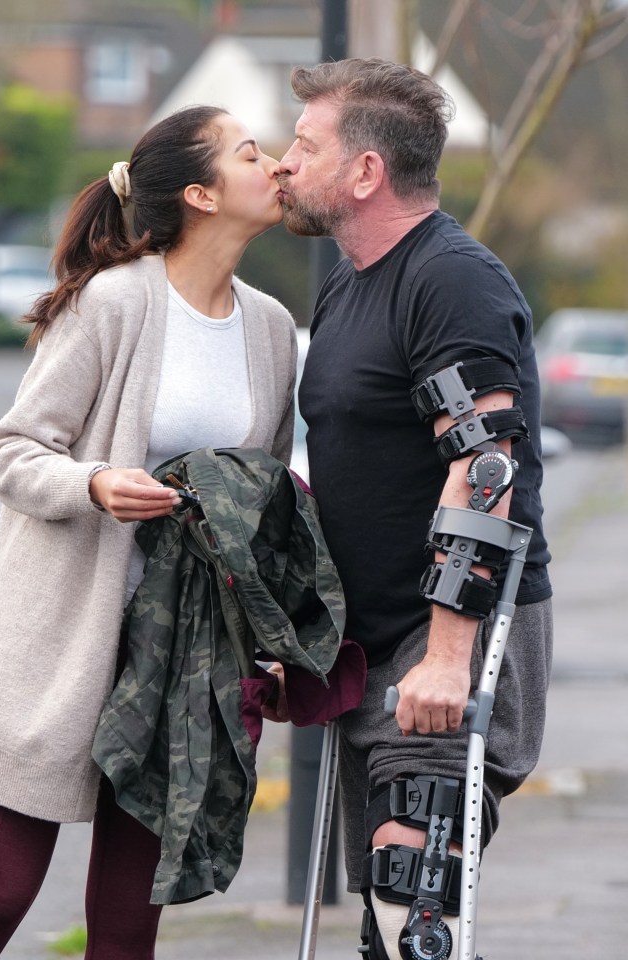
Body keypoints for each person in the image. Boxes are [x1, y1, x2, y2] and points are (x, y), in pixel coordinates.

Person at [0, 105, 296, 960]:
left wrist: (268, 643)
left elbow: (262, 505)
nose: (274, 165)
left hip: (180, 666)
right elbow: (11, 450)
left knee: (128, 926)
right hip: (57, 647)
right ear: (200, 193)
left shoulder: (271, 329)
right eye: (251, 153)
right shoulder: (111, 304)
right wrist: (92, 483)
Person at [276, 58, 553, 959]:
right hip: (375, 644)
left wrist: (445, 656)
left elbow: (485, 467)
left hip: (453, 643)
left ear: (365, 173)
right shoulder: (351, 280)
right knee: (385, 925)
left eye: (304, 144)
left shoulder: (451, 280)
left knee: (415, 911)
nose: (283, 161)